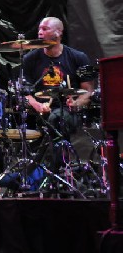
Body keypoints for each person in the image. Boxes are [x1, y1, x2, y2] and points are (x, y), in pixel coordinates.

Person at [21, 16, 96, 170]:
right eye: (39, 29)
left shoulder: (78, 58)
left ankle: (53, 172)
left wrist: (76, 103)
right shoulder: (30, 59)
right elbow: (25, 94)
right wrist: (38, 106)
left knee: (57, 118)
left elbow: (88, 92)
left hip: (68, 110)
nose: (40, 32)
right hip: (39, 111)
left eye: (45, 29)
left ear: (58, 33)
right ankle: (21, 174)